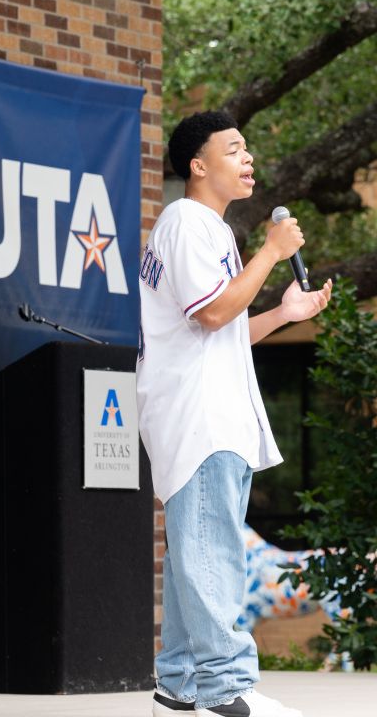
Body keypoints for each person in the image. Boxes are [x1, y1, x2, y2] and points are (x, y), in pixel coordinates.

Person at [137, 110, 332, 717]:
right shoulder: (189, 223)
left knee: (194, 548)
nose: (248, 159)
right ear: (198, 166)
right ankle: (228, 687)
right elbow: (211, 315)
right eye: (234, 149)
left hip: (206, 408)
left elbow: (222, 328)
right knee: (210, 547)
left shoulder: (208, 230)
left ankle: (180, 687)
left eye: (247, 150)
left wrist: (283, 315)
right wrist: (273, 253)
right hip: (198, 413)